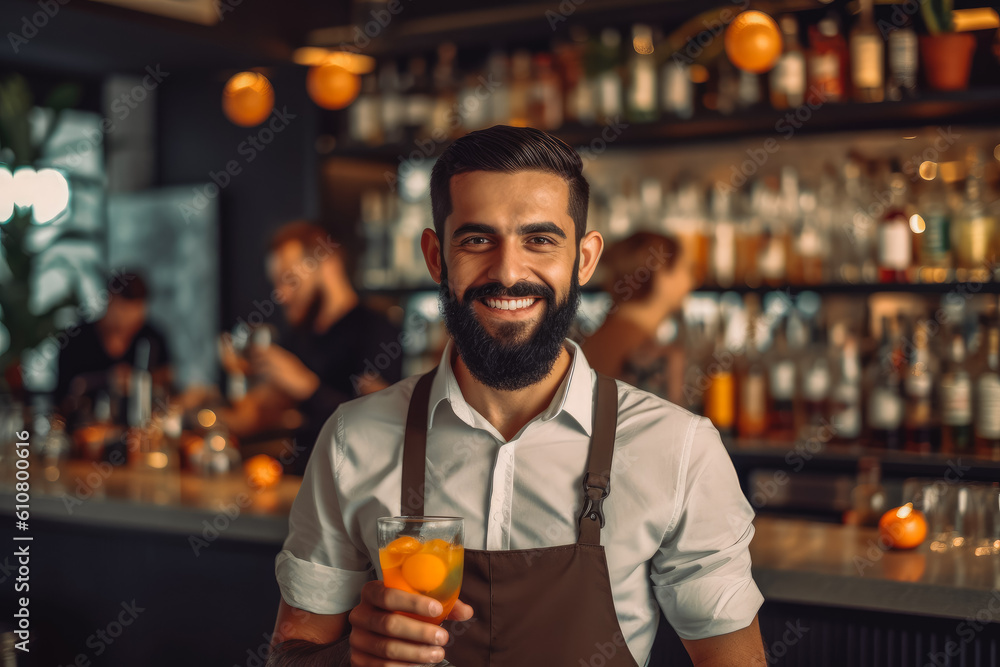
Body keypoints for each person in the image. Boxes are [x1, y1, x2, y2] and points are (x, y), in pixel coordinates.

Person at [268, 126, 765, 666]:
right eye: (477, 240)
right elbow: (291, 655)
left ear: (585, 259)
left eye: (540, 240)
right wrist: (352, 660)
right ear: (436, 257)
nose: (508, 272)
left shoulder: (679, 448)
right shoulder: (352, 439)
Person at [219, 222, 402, 475]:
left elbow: (380, 426)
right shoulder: (299, 336)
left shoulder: (377, 331)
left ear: (328, 264)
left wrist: (305, 386)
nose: (281, 295)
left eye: (290, 279)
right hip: (303, 482)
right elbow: (258, 414)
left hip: (355, 487)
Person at [582, 231, 695, 404]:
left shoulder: (606, 334)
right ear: (661, 273)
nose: (691, 281)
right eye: (684, 268)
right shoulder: (643, 351)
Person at [55, 271, 172, 420]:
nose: (130, 320)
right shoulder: (77, 339)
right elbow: (63, 397)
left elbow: (168, 379)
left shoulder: (151, 338)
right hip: (85, 431)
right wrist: (107, 379)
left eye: (138, 312)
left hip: (142, 430)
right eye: (124, 310)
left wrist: (139, 380)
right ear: (110, 300)